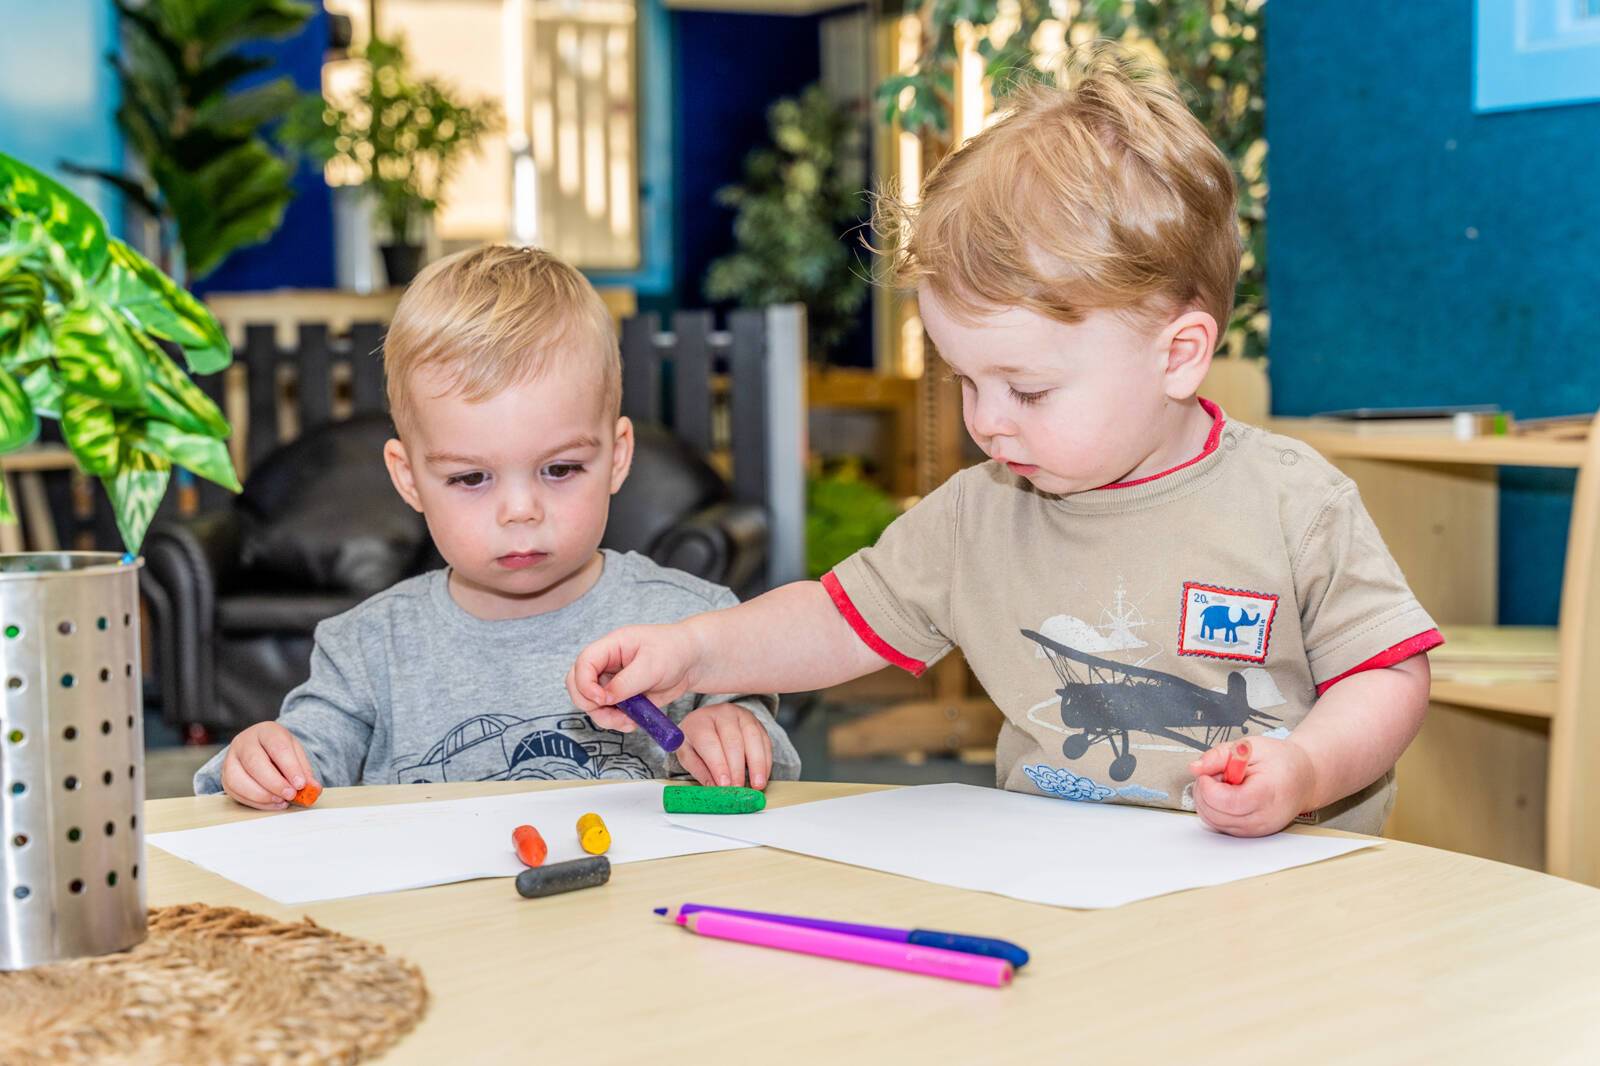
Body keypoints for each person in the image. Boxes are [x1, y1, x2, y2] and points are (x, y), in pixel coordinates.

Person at [569, 49, 1437, 837]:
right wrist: (695, 649)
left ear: (1178, 355)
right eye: (965, 381)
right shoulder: (978, 512)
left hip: (1277, 888)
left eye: (1027, 388)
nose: (987, 421)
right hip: (1057, 880)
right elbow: (839, 619)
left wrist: (1307, 767)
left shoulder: (1294, 503)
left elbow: (1388, 677)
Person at [197, 245, 799, 809]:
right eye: (470, 479)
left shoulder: (694, 621)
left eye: (559, 469)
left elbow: (766, 765)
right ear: (408, 478)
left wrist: (736, 734)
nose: (520, 511)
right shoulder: (365, 648)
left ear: (616, 457)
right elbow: (297, 763)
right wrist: (261, 762)